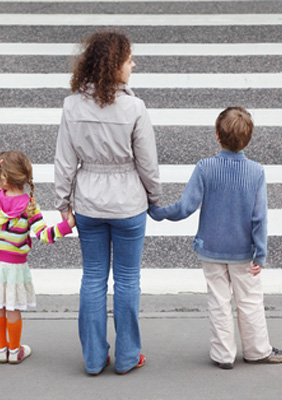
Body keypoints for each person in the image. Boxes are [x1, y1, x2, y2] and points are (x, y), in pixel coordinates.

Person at [148, 107, 282, 369]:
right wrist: (261, 253)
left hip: (211, 250)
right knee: (249, 300)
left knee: (218, 301)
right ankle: (257, 350)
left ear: (217, 136)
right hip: (244, 252)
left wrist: (156, 212)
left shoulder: (205, 168)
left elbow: (185, 208)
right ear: (248, 139)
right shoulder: (256, 172)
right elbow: (259, 219)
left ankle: (223, 355)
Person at [54, 30, 162, 375]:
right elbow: (148, 163)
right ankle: (129, 356)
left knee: (93, 278)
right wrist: (155, 198)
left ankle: (93, 357)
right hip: (129, 203)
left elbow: (64, 161)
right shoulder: (134, 107)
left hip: (88, 203)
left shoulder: (72, 106)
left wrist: (63, 205)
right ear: (115, 66)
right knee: (128, 280)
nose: (134, 64)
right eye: (129, 59)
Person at [0, 150, 75, 364]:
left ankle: (1, 349)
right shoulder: (29, 206)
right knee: (13, 308)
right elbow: (44, 235)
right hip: (14, 267)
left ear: (3, 179)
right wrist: (68, 225)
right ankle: (15, 350)